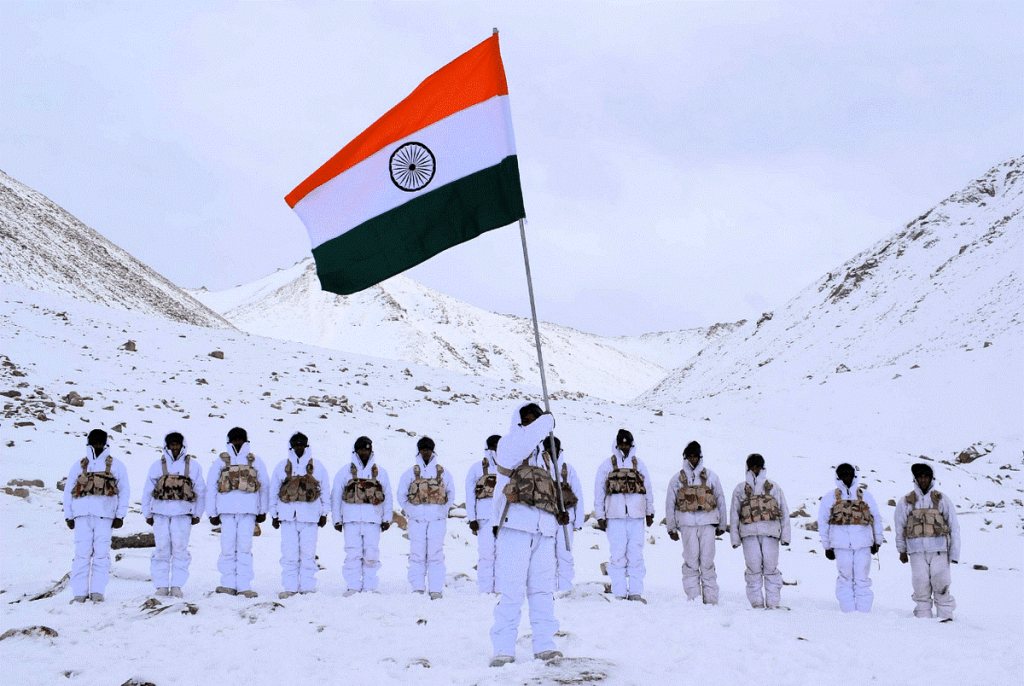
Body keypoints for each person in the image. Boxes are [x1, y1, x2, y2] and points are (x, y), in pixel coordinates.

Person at [489, 402, 569, 667]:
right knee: (512, 591)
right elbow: (526, 440)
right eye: (527, 419)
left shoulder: (546, 457)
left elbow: (550, 491)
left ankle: (545, 645)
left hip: (544, 531)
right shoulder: (509, 445)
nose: (532, 423)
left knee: (542, 591)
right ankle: (503, 649)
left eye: (535, 419)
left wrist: (560, 511)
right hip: (515, 527)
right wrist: (546, 422)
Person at [63, 429, 130, 603]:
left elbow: (124, 491)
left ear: (106, 443)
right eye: (95, 441)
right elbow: (68, 490)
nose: (98, 445)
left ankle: (97, 592)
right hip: (82, 517)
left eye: (100, 441)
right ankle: (79, 593)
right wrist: (69, 516)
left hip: (105, 517)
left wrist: (120, 515)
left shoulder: (116, 465)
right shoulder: (79, 465)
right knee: (81, 554)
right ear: (89, 442)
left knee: (101, 554)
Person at [141, 431, 206, 597]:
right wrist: (147, 513)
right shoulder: (157, 465)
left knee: (180, 549)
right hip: (160, 514)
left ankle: (177, 585)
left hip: (183, 514)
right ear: (167, 446)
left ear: (182, 445)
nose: (175, 447)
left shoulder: (193, 466)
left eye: (177, 444)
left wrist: (197, 513)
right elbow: (148, 490)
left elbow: (200, 490)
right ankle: (161, 585)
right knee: (161, 549)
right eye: (172, 444)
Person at [206, 427, 269, 598]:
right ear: (229, 441)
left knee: (244, 548)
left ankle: (244, 585)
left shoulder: (254, 461)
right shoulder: (221, 461)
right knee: (227, 548)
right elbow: (211, 487)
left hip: (248, 512)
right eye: (234, 439)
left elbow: (264, 486)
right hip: (226, 512)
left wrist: (263, 510)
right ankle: (227, 584)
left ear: (245, 440)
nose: (237, 442)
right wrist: (212, 512)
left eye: (240, 439)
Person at [594, 429, 654, 602]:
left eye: (628, 443)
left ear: (632, 445)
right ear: (617, 444)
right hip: (615, 517)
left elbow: (648, 490)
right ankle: (619, 593)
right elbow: (599, 492)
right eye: (622, 443)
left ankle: (635, 592)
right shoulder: (607, 465)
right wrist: (600, 516)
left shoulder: (639, 465)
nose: (625, 446)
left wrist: (650, 512)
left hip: (636, 517)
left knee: (636, 554)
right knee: (617, 555)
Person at [894, 463, 960, 619]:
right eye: (920, 477)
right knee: (920, 585)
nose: (923, 480)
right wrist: (901, 550)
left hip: (939, 551)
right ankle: (923, 619)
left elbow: (954, 526)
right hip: (916, 552)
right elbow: (899, 526)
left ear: (931, 478)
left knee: (941, 584)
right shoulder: (906, 501)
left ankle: (945, 617)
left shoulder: (942, 499)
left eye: (926, 476)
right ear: (915, 479)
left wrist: (955, 553)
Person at [664, 440, 727, 604]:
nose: (693, 459)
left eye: (695, 456)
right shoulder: (677, 479)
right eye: (690, 456)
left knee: (707, 562)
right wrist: (671, 528)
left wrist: (722, 524)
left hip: (707, 524)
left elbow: (720, 500)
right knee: (691, 563)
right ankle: (694, 599)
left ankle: (711, 600)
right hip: (686, 525)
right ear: (685, 457)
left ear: (700, 457)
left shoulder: (711, 476)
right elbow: (670, 503)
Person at [269, 432, 330, 598]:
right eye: (295, 443)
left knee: (308, 554)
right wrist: (274, 514)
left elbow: (325, 490)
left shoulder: (317, 466)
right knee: (289, 554)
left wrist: (324, 513)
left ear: (306, 445)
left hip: (310, 518)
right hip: (288, 518)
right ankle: (290, 588)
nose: (299, 446)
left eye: (301, 443)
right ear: (291, 446)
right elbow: (273, 491)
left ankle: (308, 587)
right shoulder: (282, 466)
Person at [817, 463, 884, 613]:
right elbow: (823, 522)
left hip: (863, 545)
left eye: (848, 474)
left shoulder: (865, 496)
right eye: (842, 474)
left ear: (854, 475)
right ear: (838, 477)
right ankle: (848, 611)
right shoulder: (830, 498)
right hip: (840, 546)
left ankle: (863, 611)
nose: (845, 477)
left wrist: (877, 541)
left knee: (862, 579)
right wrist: (827, 546)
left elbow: (876, 518)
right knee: (845, 579)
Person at [332, 435, 393, 596]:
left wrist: (387, 519)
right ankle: (353, 586)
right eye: (361, 449)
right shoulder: (345, 471)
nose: (364, 452)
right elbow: (336, 495)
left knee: (371, 554)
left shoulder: (380, 472)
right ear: (356, 450)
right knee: (352, 553)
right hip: (351, 520)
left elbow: (387, 496)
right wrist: (337, 519)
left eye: (367, 449)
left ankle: (370, 586)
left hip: (373, 520)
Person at [729, 453, 790, 609]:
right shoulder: (740, 489)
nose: (755, 470)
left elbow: (784, 511)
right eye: (752, 466)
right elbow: (734, 514)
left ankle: (773, 604)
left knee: (771, 569)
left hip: (770, 534)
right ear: (748, 468)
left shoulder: (774, 487)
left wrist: (785, 536)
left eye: (758, 466)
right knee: (753, 569)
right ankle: (756, 603)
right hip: (749, 534)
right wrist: (735, 538)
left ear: (762, 468)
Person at [397, 436, 454, 598]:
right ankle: (417, 588)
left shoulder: (442, 473)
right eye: (423, 449)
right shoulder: (411, 473)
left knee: (436, 555)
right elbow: (401, 495)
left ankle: (436, 589)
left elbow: (451, 494)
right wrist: (411, 512)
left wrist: (442, 511)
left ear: (433, 450)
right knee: (417, 554)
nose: (425, 452)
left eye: (428, 449)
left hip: (437, 521)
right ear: (419, 450)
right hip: (417, 521)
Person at [545, 435, 584, 595]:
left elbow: (578, 495)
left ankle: (565, 588)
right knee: (547, 556)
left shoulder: (567, 470)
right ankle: (549, 589)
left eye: (555, 450)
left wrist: (578, 521)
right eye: (549, 450)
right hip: (545, 519)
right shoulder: (539, 468)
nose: (552, 453)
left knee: (565, 554)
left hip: (566, 520)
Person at [465, 434, 502, 594]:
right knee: (486, 554)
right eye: (493, 444)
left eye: (499, 444)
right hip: (484, 517)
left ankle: (501, 589)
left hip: (505, 517)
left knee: (503, 555)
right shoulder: (476, 468)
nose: (496, 447)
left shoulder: (511, 466)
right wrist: (472, 518)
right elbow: (469, 494)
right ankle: (485, 590)